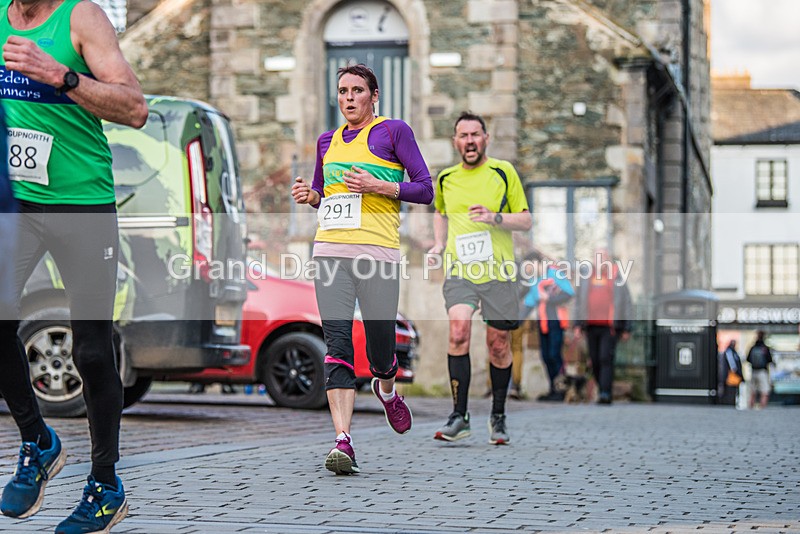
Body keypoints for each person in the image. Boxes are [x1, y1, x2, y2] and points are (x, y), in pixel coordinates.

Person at [0, 0, 147, 531]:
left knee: (90, 347)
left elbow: (134, 108)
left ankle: (105, 484)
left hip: (82, 204)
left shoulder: (80, 17)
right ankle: (38, 441)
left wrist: (58, 75)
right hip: (16, 205)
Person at [291, 64, 432, 474]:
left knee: (381, 351)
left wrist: (380, 186)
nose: (348, 97)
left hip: (378, 254)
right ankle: (343, 442)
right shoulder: (326, 141)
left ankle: (387, 390)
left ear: (374, 95)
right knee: (337, 346)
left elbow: (425, 188)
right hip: (330, 253)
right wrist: (310, 195)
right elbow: (325, 194)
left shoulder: (393, 132)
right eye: (342, 91)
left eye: (357, 90)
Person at [427, 111, 532, 445]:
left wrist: (495, 217)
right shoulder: (445, 178)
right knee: (458, 332)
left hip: (499, 272)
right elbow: (440, 213)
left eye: (475, 135)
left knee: (497, 344)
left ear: (486, 138)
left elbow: (526, 220)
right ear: (455, 141)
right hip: (461, 271)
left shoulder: (504, 172)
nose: (469, 141)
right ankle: (459, 415)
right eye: (463, 135)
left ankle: (498, 416)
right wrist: (439, 244)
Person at [573, 248, 632, 404]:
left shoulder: (616, 276)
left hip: (610, 326)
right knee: (595, 359)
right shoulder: (587, 277)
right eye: (598, 257)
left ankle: (606, 392)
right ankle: (602, 388)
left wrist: (627, 327)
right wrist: (577, 325)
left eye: (604, 257)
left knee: (605, 357)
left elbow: (627, 302)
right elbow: (579, 302)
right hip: (590, 325)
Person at [522, 251, 574, 402]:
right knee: (545, 356)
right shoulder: (534, 281)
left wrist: (550, 298)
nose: (529, 269)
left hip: (556, 321)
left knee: (554, 354)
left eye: (530, 266)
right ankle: (553, 388)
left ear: (537, 263)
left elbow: (568, 293)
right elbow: (529, 303)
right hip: (542, 322)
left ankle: (561, 390)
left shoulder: (554, 273)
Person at [747, 331, 773, 409]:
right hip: (762, 372)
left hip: (754, 371)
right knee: (764, 390)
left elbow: (748, 359)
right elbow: (769, 360)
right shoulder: (765, 348)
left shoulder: (752, 347)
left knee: (753, 390)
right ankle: (762, 407)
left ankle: (751, 406)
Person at [718, 340, 744, 406]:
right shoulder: (730, 352)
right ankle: (729, 403)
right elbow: (733, 366)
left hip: (730, 377)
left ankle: (730, 403)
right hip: (730, 377)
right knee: (730, 392)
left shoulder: (731, 352)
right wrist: (740, 374)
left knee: (731, 392)